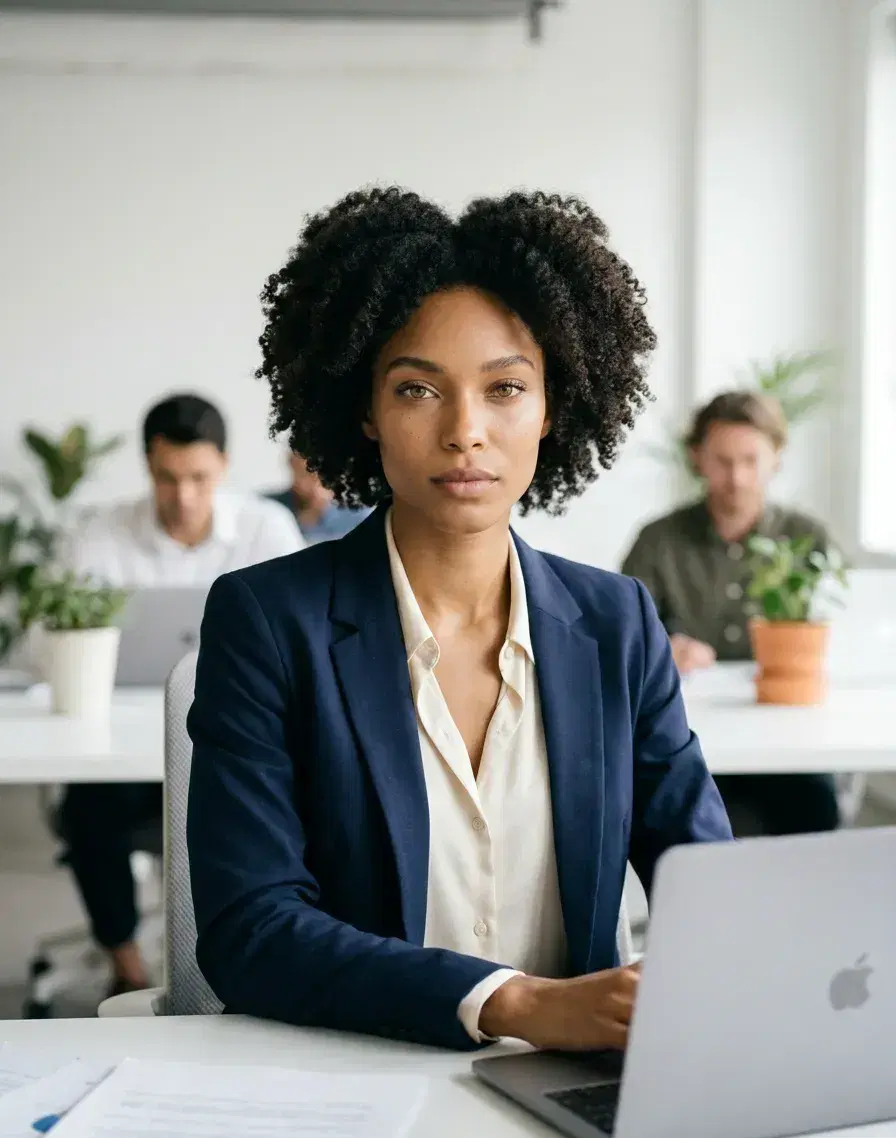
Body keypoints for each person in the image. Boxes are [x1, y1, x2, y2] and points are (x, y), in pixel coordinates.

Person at [187, 187, 732, 1054]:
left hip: (576, 1088)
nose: (465, 432)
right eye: (418, 389)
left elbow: (708, 883)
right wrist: (510, 1002)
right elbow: (250, 928)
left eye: (506, 388)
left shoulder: (617, 621)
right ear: (366, 410)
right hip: (357, 1076)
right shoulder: (266, 621)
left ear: (552, 408)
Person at [60, 393, 305, 995]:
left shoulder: (264, 529)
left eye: (199, 477)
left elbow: (296, 649)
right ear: (148, 465)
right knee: (88, 810)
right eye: (168, 477)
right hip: (119, 747)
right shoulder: (100, 536)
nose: (184, 496)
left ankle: (252, 962)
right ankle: (125, 962)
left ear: (223, 465)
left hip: (235, 740)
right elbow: (62, 639)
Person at [621, 389, 839, 836]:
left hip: (789, 736)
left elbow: (838, 633)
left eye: (750, 460)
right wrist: (666, 650)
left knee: (816, 815)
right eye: (722, 461)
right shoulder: (658, 541)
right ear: (697, 458)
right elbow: (622, 641)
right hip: (693, 742)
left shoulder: (807, 538)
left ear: (776, 456)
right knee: (713, 826)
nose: (736, 477)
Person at [266, 452, 370, 544]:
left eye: (321, 475)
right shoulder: (268, 508)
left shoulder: (358, 516)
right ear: (292, 466)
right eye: (304, 474)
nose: (315, 485)